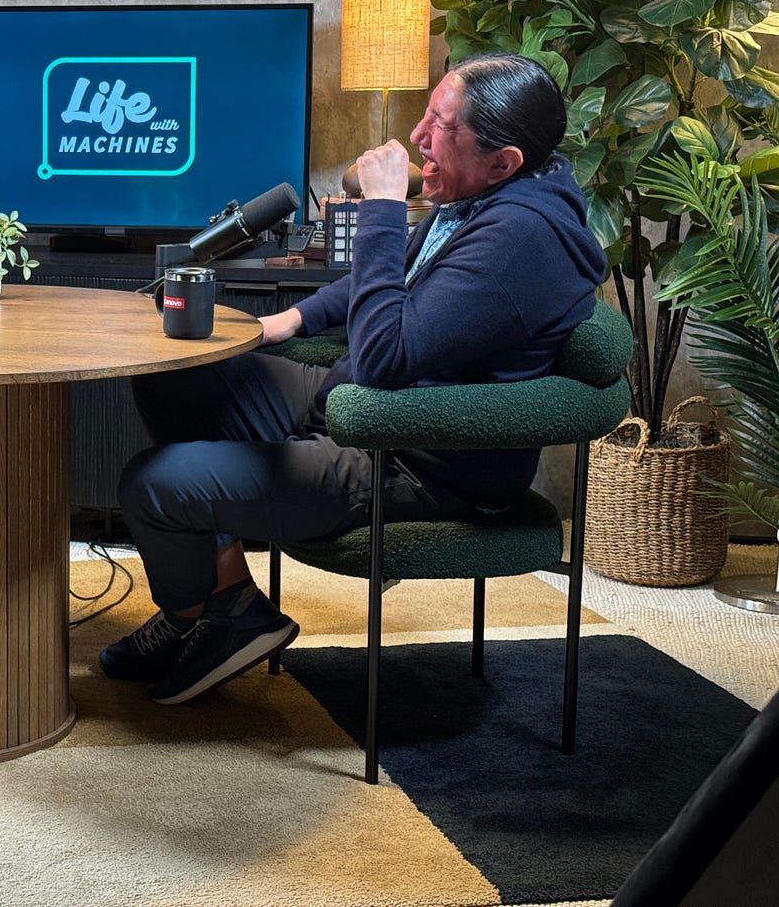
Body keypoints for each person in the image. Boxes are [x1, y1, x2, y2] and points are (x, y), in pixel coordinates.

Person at [101, 52, 607, 705]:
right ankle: (222, 604)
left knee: (151, 485)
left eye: (442, 127)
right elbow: (398, 274)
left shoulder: (519, 241)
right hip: (364, 406)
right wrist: (290, 319)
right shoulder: (481, 198)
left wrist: (383, 207)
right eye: (428, 112)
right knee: (178, 376)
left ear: (502, 161)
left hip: (416, 458)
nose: (419, 137)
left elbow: (384, 353)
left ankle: (194, 612)